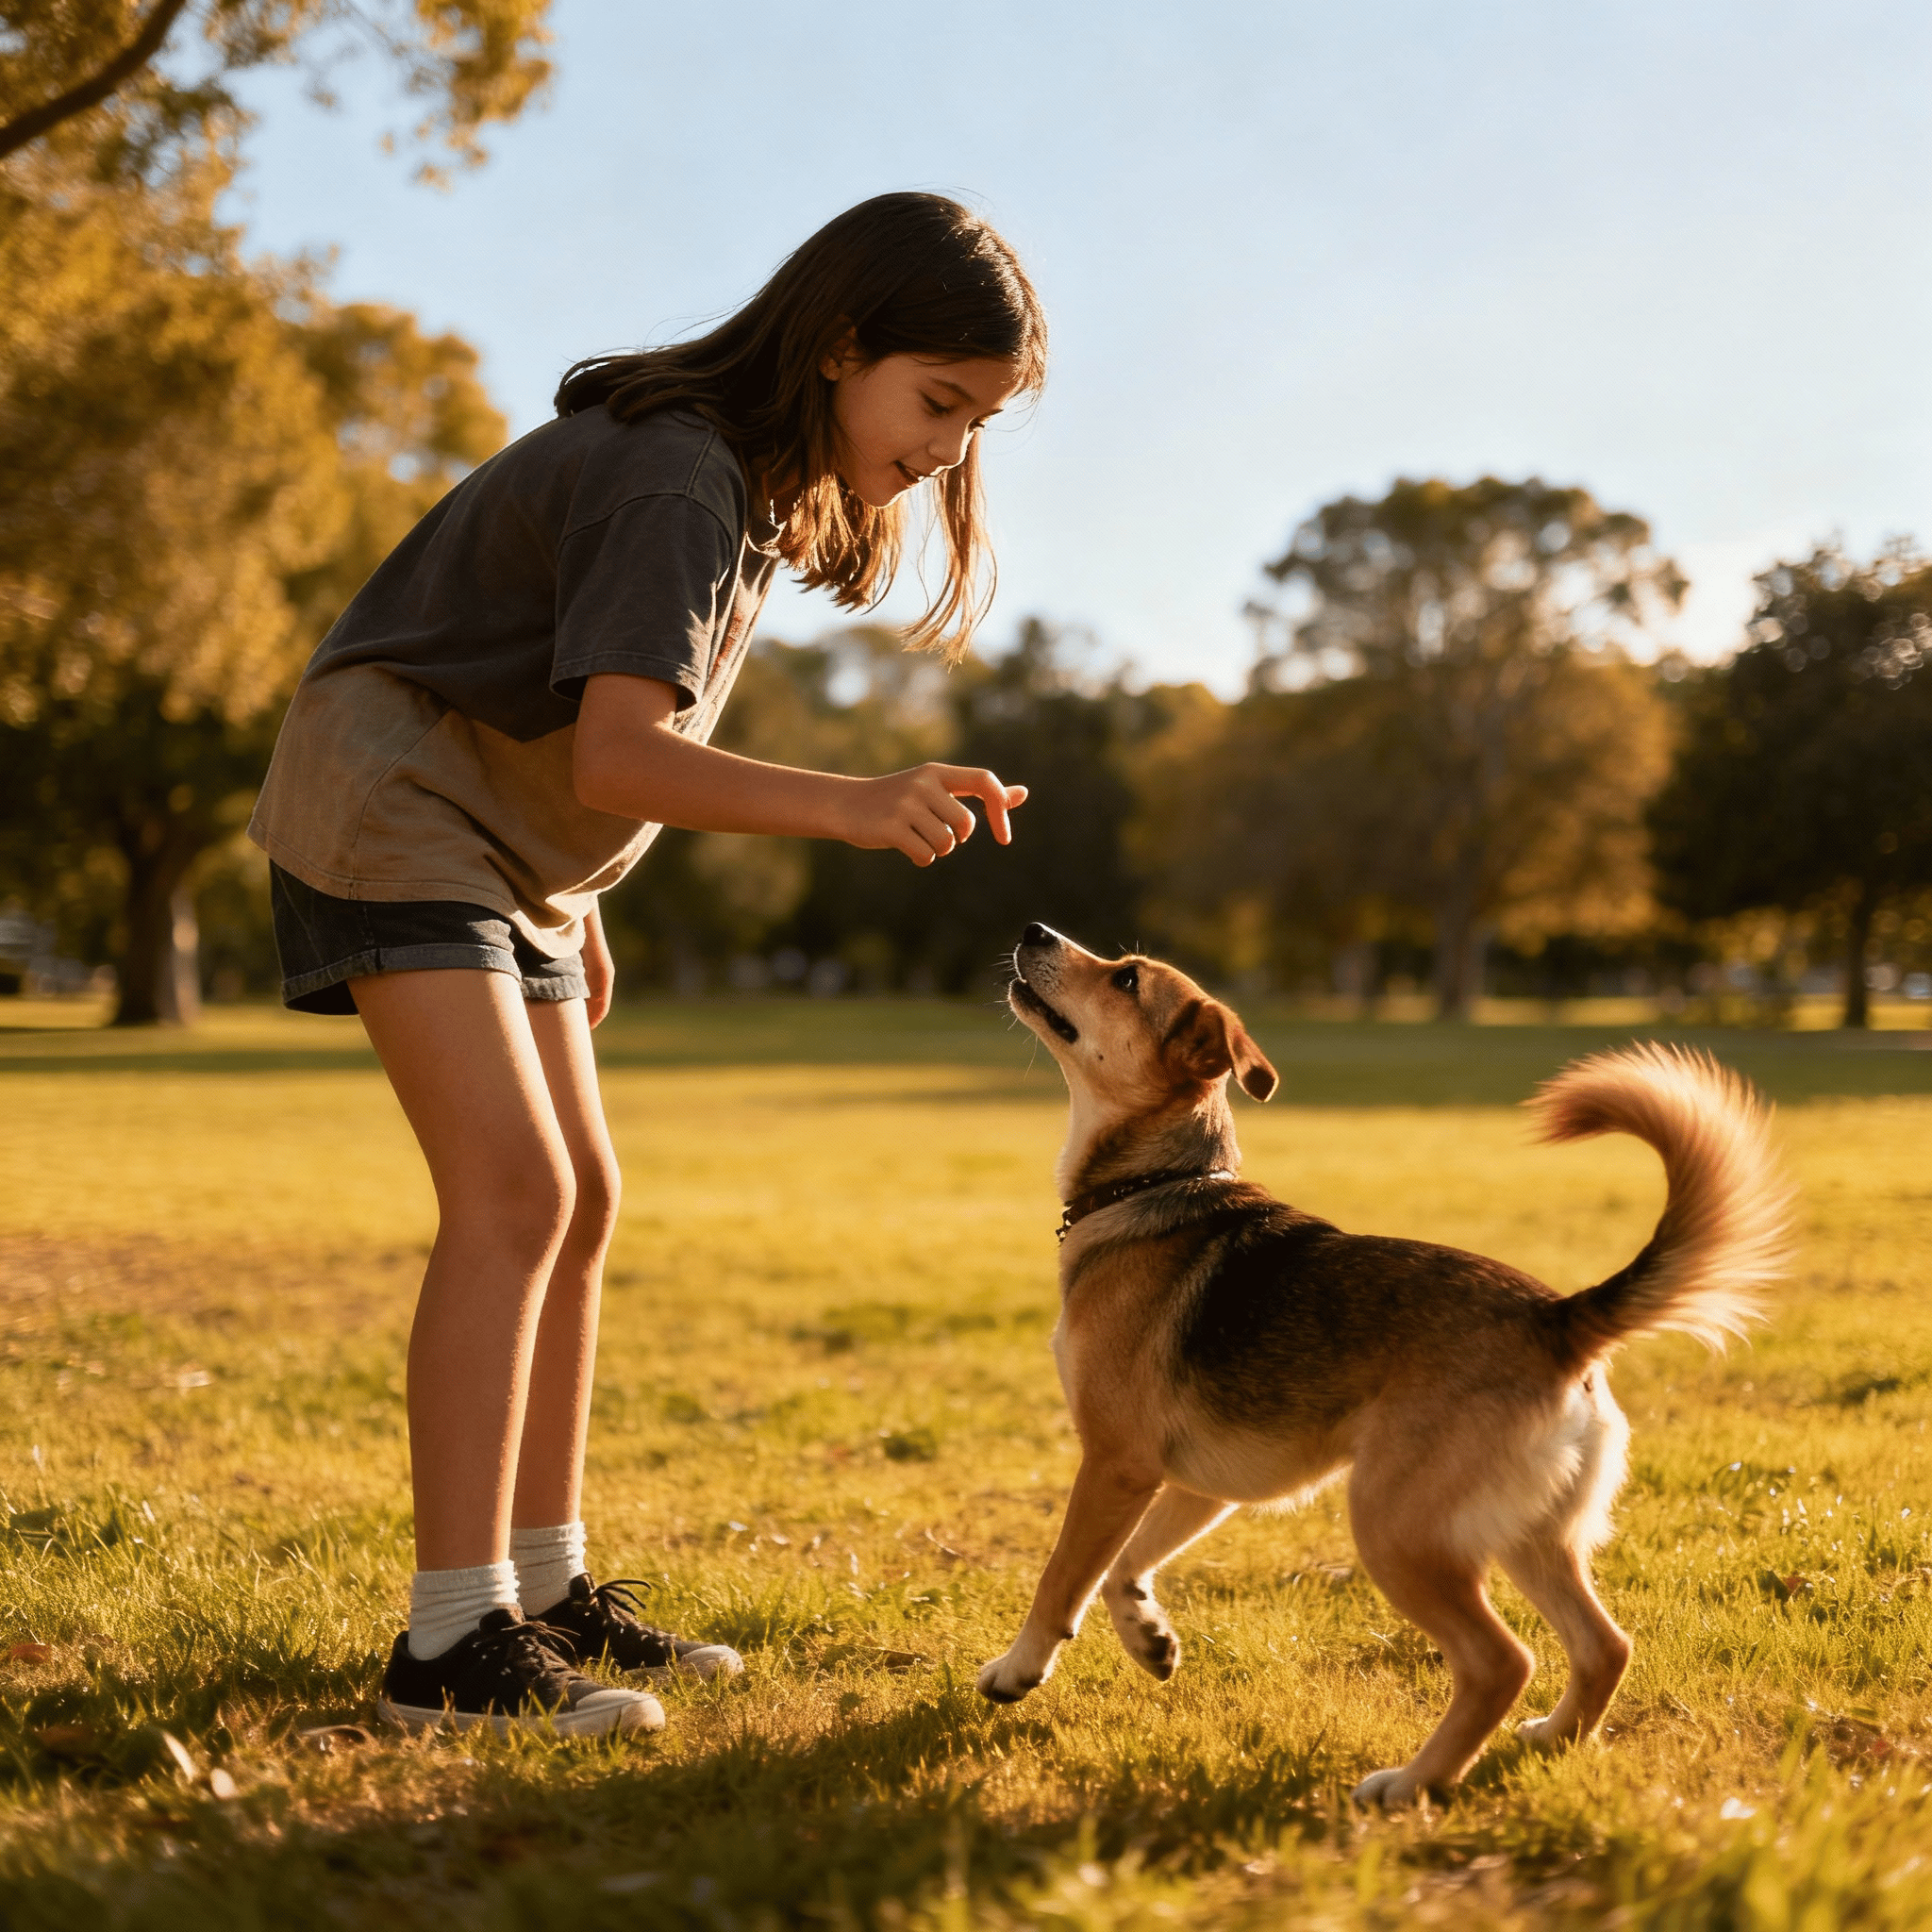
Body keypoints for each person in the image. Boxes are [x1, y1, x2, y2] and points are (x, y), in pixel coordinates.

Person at [248, 192, 1046, 1735]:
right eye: (936, 402)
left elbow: (584, 735)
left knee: (583, 1197)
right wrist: (858, 805)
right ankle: (443, 1647)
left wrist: (576, 896)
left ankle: (540, 1591)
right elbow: (624, 752)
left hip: (500, 839)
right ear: (836, 348)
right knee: (517, 1193)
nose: (950, 448)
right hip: (395, 795)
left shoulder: (743, 487)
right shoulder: (677, 475)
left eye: (980, 422)